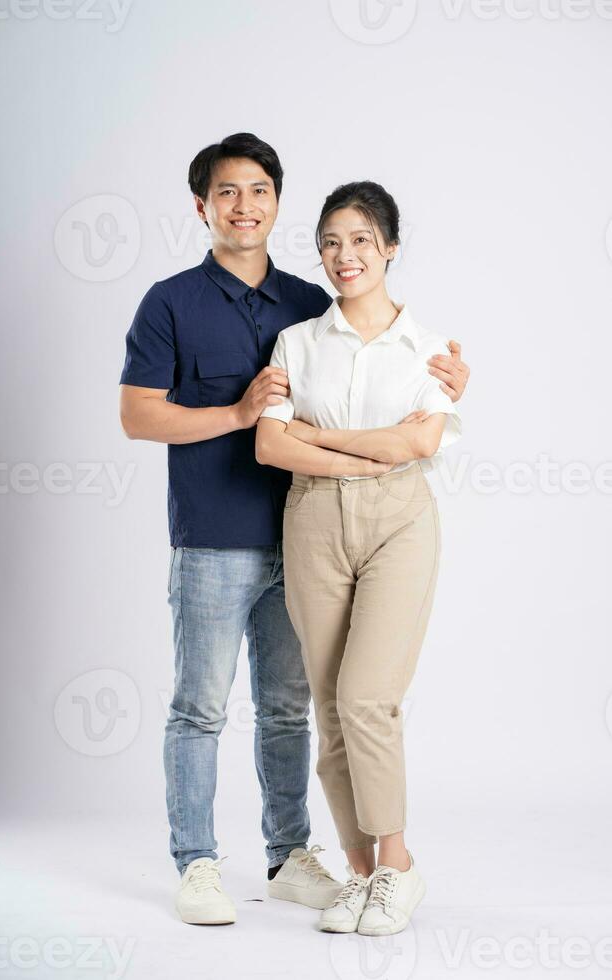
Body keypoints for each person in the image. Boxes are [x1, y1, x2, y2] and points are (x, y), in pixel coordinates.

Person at [119, 136, 470, 927]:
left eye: (259, 191)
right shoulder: (170, 300)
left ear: (276, 203)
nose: (244, 205)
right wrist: (241, 416)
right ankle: (198, 863)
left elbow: (387, 376)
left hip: (305, 537)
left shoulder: (308, 304)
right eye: (226, 192)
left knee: (293, 708)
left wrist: (448, 379)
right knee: (200, 707)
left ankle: (288, 857)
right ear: (202, 206)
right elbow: (139, 416)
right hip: (212, 535)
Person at [256, 181, 464, 936]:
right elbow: (269, 443)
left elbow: (416, 445)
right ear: (320, 251)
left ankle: (397, 869)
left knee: (368, 697)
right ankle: (356, 871)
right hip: (310, 518)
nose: (346, 256)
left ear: (391, 249)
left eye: (362, 241)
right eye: (332, 242)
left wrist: (318, 437)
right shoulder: (297, 343)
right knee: (329, 704)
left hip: (399, 519)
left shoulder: (432, 351)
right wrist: (350, 447)